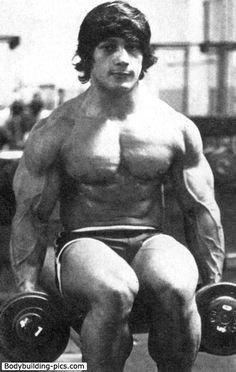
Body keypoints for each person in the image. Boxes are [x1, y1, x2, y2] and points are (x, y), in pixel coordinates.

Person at [10, 1, 225, 371]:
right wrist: (27, 289)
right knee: (115, 288)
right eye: (109, 47)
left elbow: (201, 210)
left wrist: (213, 283)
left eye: (133, 48)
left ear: (145, 56)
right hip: (84, 242)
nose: (123, 59)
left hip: (150, 239)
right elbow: (31, 214)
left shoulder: (174, 127)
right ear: (87, 57)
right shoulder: (58, 129)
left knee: (176, 285)